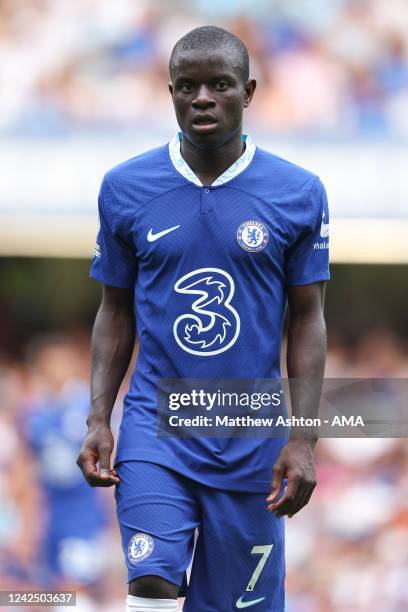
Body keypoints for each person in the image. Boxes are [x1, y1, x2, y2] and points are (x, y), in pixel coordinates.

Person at [77, 25, 329, 612]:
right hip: (154, 424)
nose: (203, 98)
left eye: (220, 85)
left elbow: (308, 319)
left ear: (250, 90)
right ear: (169, 92)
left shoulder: (297, 192)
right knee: (153, 581)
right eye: (187, 86)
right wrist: (98, 418)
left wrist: (305, 437)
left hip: (250, 436)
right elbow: (113, 311)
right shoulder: (125, 188)